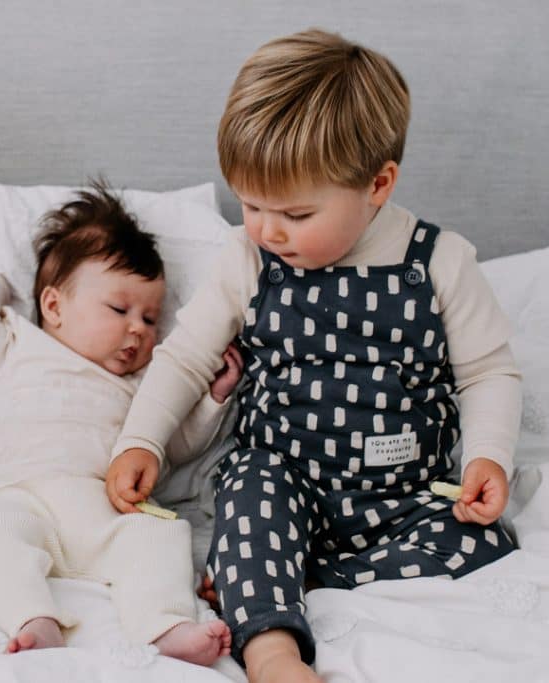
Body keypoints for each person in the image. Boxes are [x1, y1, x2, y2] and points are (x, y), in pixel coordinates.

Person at [105, 29, 522, 683]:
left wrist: (488, 455)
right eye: (249, 205)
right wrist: (142, 441)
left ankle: (294, 577)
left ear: (377, 184)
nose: (267, 230)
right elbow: (186, 357)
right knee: (247, 496)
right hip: (285, 479)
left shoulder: (438, 262)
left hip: (405, 493)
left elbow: (487, 371)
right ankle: (274, 652)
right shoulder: (248, 262)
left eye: (295, 213)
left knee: (475, 536)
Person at [0, 182, 236, 664]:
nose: (138, 329)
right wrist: (7, 281)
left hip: (101, 505)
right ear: (54, 307)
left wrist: (213, 399)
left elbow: (173, 443)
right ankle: (32, 618)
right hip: (18, 492)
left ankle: (164, 624)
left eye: (150, 317)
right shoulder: (19, 346)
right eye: (120, 309)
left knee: (160, 535)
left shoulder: (144, 384)